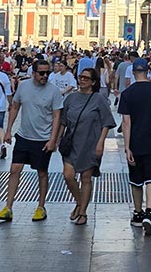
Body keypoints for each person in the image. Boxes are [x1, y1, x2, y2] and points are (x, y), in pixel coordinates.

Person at [0, 59, 63, 222]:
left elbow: (57, 116)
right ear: (33, 73)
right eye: (41, 73)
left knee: (42, 173)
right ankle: (8, 207)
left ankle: (41, 206)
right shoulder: (23, 86)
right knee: (15, 169)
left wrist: (53, 140)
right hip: (24, 136)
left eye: (48, 72)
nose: (45, 76)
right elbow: (15, 107)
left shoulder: (54, 91)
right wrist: (9, 130)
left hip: (43, 139)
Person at [60, 66, 114, 225]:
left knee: (86, 178)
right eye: (80, 77)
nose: (82, 80)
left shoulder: (98, 99)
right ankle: (79, 202)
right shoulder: (70, 98)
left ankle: (82, 212)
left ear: (93, 82)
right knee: (68, 175)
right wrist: (56, 139)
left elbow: (107, 122)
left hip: (90, 143)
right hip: (71, 142)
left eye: (86, 78)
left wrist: (101, 143)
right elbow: (63, 120)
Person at [119, 58, 151, 236]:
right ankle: (150, 211)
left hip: (136, 142)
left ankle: (138, 213)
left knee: (136, 179)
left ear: (133, 72)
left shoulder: (127, 93)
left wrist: (127, 147)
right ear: (148, 71)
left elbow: (126, 122)